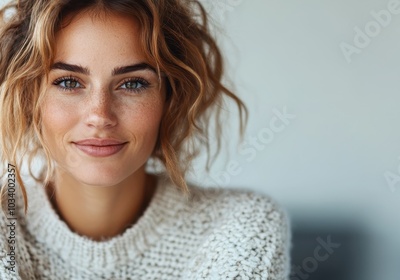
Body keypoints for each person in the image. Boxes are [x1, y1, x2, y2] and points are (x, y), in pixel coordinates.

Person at [0, 0, 291, 279]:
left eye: (133, 83)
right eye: (69, 82)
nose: (100, 115)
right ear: (28, 98)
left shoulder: (241, 225)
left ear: (170, 98)